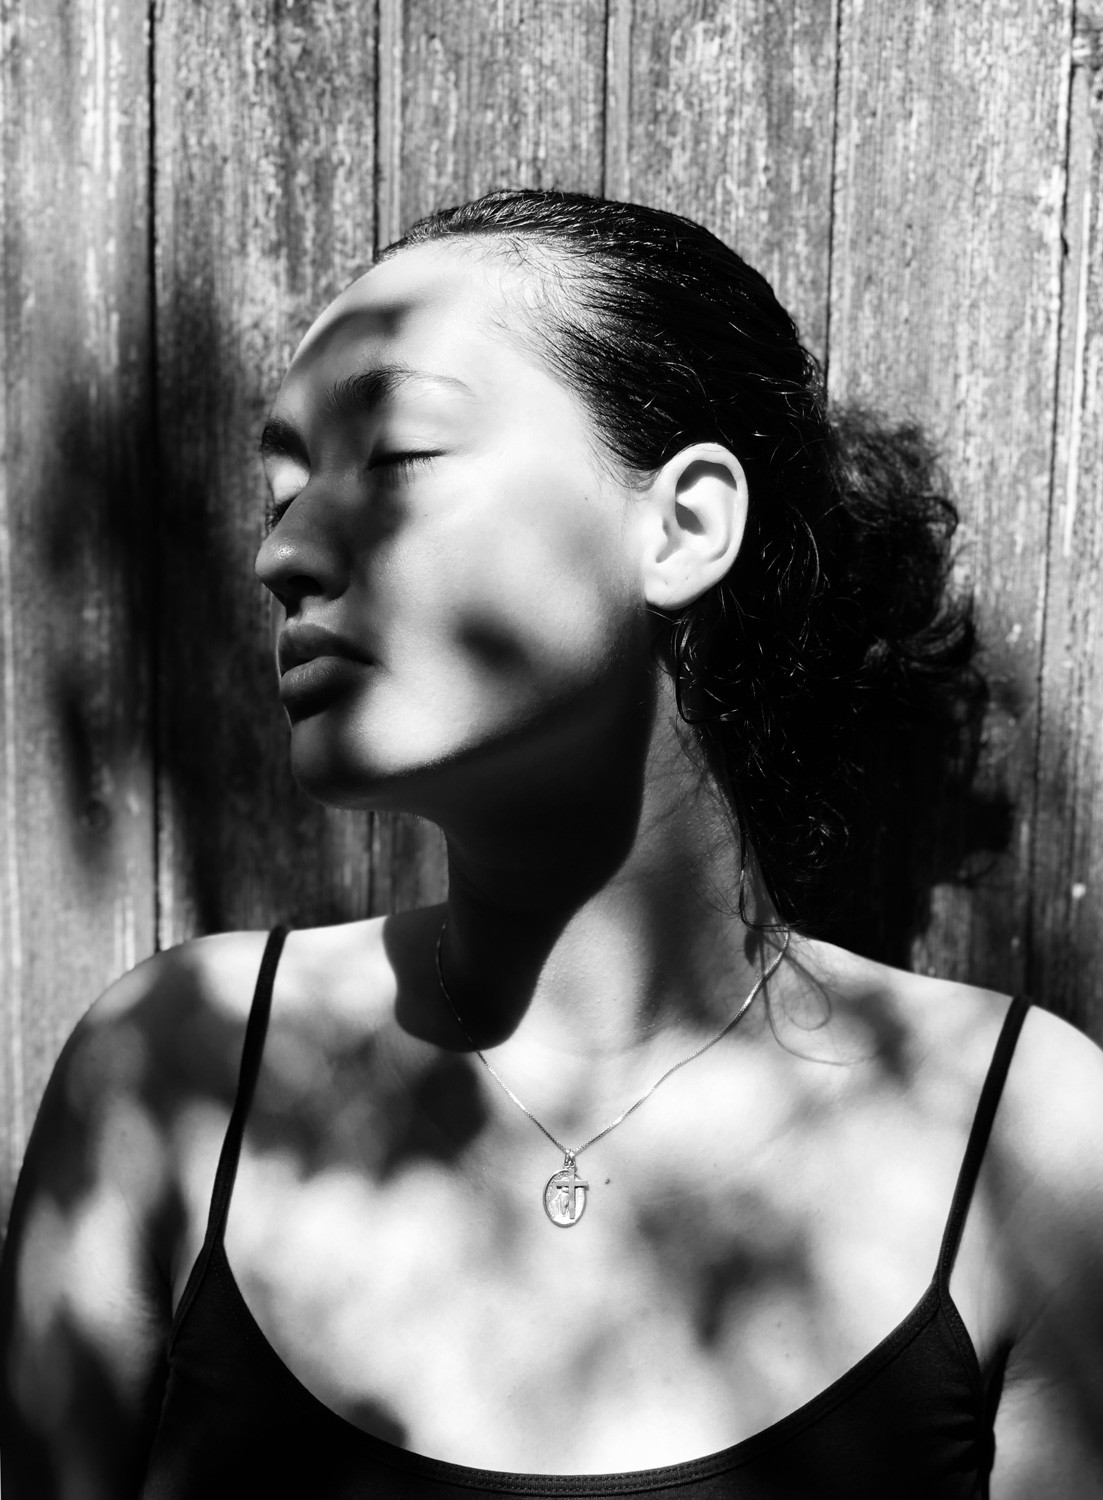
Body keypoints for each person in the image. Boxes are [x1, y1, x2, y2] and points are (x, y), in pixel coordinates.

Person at [2, 189, 1102, 1499]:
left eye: (397, 455)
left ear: (682, 527)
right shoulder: (175, 1072)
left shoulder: (1030, 1143)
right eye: (282, 489)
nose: (281, 552)